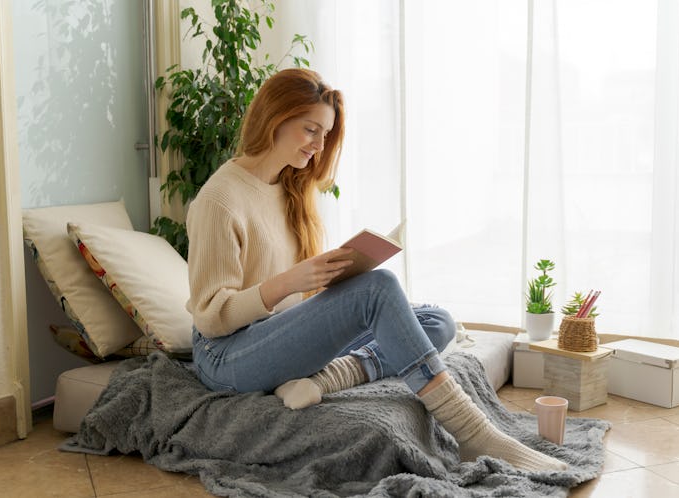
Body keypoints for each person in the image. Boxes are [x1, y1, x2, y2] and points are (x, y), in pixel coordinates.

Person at [185, 68, 567, 473]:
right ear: (275, 118)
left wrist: (331, 277)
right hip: (226, 355)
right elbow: (211, 318)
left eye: (326, 135)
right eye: (311, 130)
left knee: (436, 321)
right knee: (380, 287)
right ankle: (474, 432)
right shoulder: (219, 200)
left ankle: (322, 380)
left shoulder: (289, 187)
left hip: (276, 334)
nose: (319, 145)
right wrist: (286, 284)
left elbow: (299, 302)